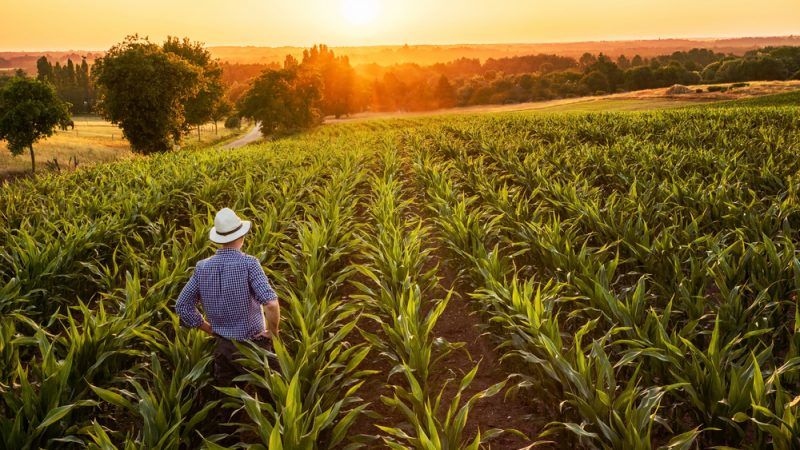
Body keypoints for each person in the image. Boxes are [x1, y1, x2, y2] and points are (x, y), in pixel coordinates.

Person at [175, 207, 281, 385]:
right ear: (242, 237)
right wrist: (273, 332)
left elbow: (182, 306)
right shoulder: (249, 264)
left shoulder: (202, 267)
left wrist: (209, 329)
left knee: (229, 399)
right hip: (253, 346)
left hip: (223, 348)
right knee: (273, 393)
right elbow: (271, 304)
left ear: (219, 239)